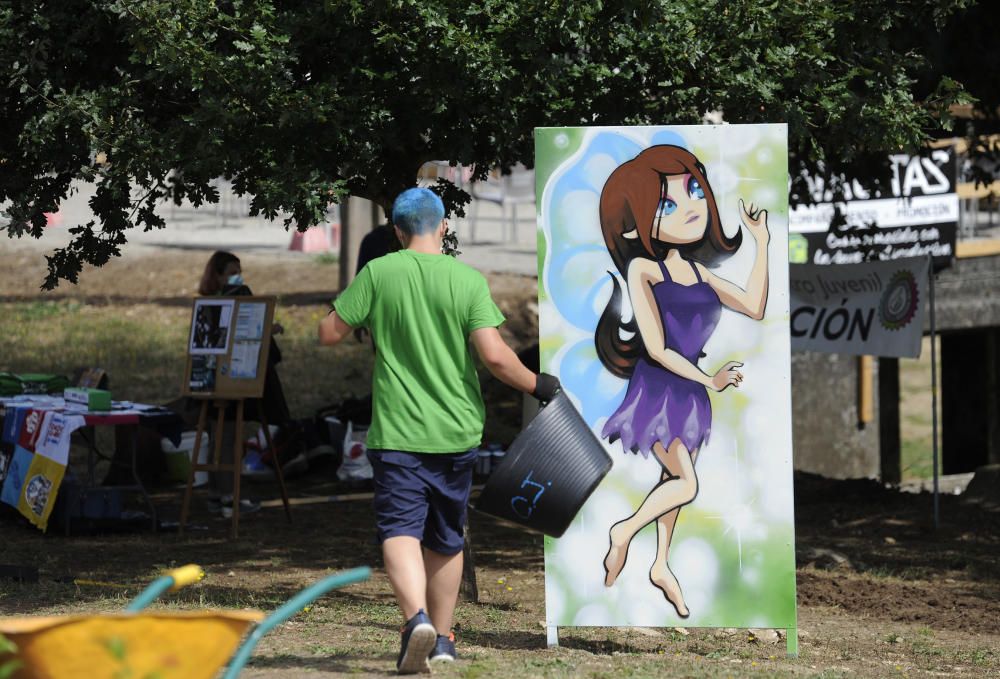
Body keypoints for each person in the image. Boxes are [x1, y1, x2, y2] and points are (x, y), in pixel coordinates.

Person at [319, 188, 559, 674]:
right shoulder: (466, 279)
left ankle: (415, 621)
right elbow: (494, 357)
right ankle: (444, 640)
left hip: (398, 432)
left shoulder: (378, 273)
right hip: (456, 432)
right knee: (447, 536)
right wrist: (541, 385)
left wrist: (346, 307)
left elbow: (329, 333)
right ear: (443, 227)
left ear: (397, 231)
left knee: (398, 529)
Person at [595, 145, 770, 618]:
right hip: (658, 389)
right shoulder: (642, 268)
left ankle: (659, 563)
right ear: (635, 224)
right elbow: (655, 347)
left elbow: (755, 305)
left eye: (694, 190)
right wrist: (710, 379)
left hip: (691, 390)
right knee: (686, 484)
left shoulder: (699, 272)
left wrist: (761, 243)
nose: (691, 207)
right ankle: (623, 532)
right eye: (667, 204)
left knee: (673, 479)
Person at [197, 251, 292, 518]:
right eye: (230, 272)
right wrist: (267, 329)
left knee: (221, 436)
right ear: (217, 276)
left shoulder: (223, 300)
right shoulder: (218, 303)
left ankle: (219, 496)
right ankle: (226, 497)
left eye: (239, 271)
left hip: (226, 376)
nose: (237, 277)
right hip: (223, 379)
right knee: (224, 437)